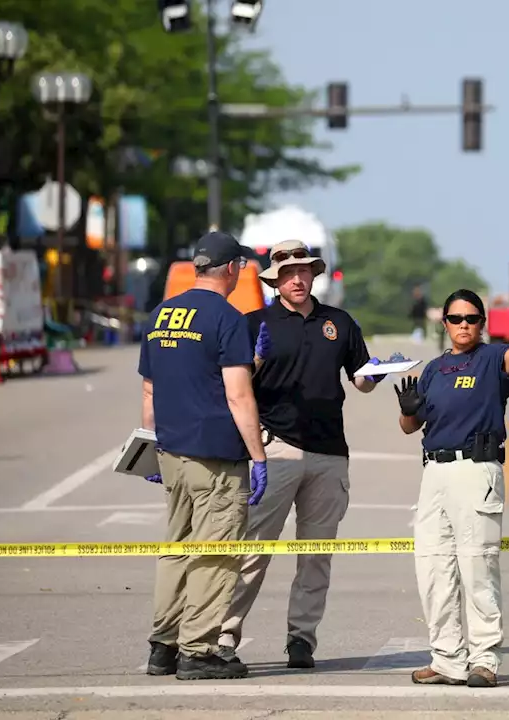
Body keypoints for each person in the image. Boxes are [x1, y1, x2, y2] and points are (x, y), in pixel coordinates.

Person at [218, 239, 382, 670]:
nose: (297, 278)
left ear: (314, 275)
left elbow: (359, 379)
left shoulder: (339, 323)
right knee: (252, 552)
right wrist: (255, 359)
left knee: (316, 556)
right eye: (288, 273)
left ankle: (301, 640)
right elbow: (234, 387)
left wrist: (377, 373)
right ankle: (223, 637)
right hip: (276, 449)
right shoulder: (254, 323)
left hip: (329, 454)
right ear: (275, 279)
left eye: (304, 271)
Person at [138, 230, 268, 681]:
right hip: (215, 456)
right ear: (232, 268)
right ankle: (199, 650)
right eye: (242, 267)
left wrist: (151, 447)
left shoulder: (160, 315)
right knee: (216, 553)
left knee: (176, 548)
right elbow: (238, 394)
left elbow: (150, 390)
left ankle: (163, 645)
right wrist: (259, 458)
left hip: (172, 452)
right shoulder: (227, 317)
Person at [396, 290, 509, 688]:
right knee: (433, 568)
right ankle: (446, 659)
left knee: (477, 568)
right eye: (456, 318)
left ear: (482, 323)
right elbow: (411, 427)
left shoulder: (492, 358)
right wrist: (408, 409)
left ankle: (484, 660)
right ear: (444, 323)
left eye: (472, 318)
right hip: (434, 474)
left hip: (477, 471)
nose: (464, 325)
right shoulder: (434, 369)